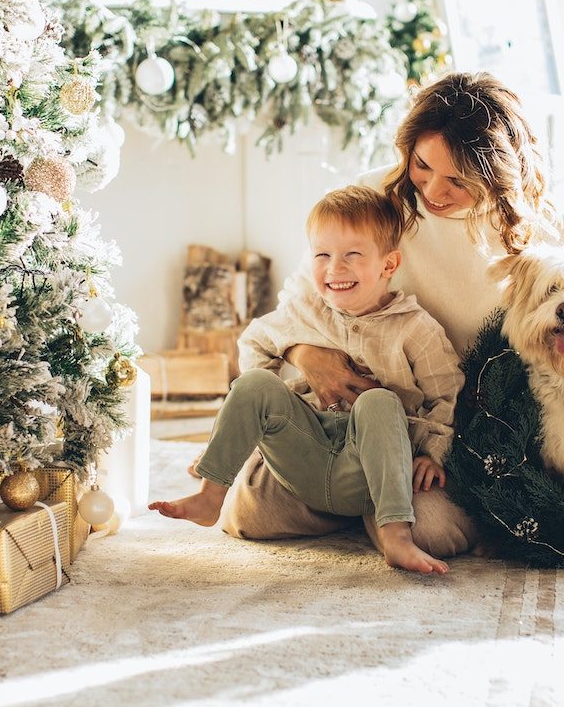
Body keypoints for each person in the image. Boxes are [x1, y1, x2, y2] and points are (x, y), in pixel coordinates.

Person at [216, 71, 564, 557]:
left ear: (500, 175)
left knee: (434, 533)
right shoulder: (375, 197)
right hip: (344, 418)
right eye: (422, 165)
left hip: (447, 430)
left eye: (458, 179)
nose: (434, 189)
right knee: (246, 516)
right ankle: (356, 493)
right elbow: (300, 299)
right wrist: (306, 354)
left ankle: (374, 503)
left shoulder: (549, 232)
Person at [151, 186, 465, 574]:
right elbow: (254, 343)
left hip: (371, 464)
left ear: (388, 265)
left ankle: (395, 535)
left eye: (352, 255)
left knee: (379, 402)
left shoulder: (414, 328)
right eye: (322, 255)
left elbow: (446, 392)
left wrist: (432, 452)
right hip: (308, 448)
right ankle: (209, 494)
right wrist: (263, 407)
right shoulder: (304, 312)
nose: (335, 268)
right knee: (253, 386)